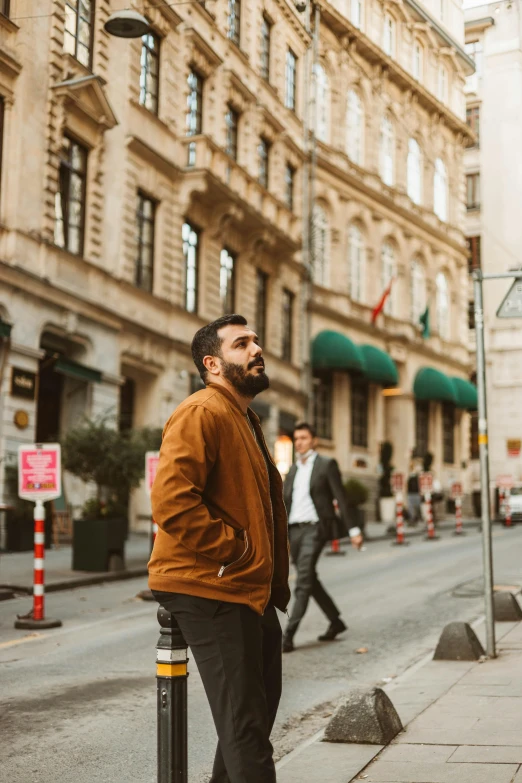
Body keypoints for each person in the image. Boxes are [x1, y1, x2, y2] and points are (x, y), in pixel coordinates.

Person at [148, 314, 290, 783]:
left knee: (254, 718)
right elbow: (171, 502)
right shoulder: (202, 412)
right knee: (246, 727)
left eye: (256, 340)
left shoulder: (244, 418)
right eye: (242, 344)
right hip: (210, 586)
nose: (257, 349)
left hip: (248, 587)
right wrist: (238, 552)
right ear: (212, 363)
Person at [282, 423, 364, 653]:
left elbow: (341, 497)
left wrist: (354, 531)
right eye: (296, 438)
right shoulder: (293, 469)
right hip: (294, 531)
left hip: (316, 529)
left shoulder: (326, 465)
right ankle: (335, 621)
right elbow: (284, 502)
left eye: (304, 438)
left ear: (314, 440)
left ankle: (288, 635)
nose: (299, 442)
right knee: (310, 580)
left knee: (303, 581)